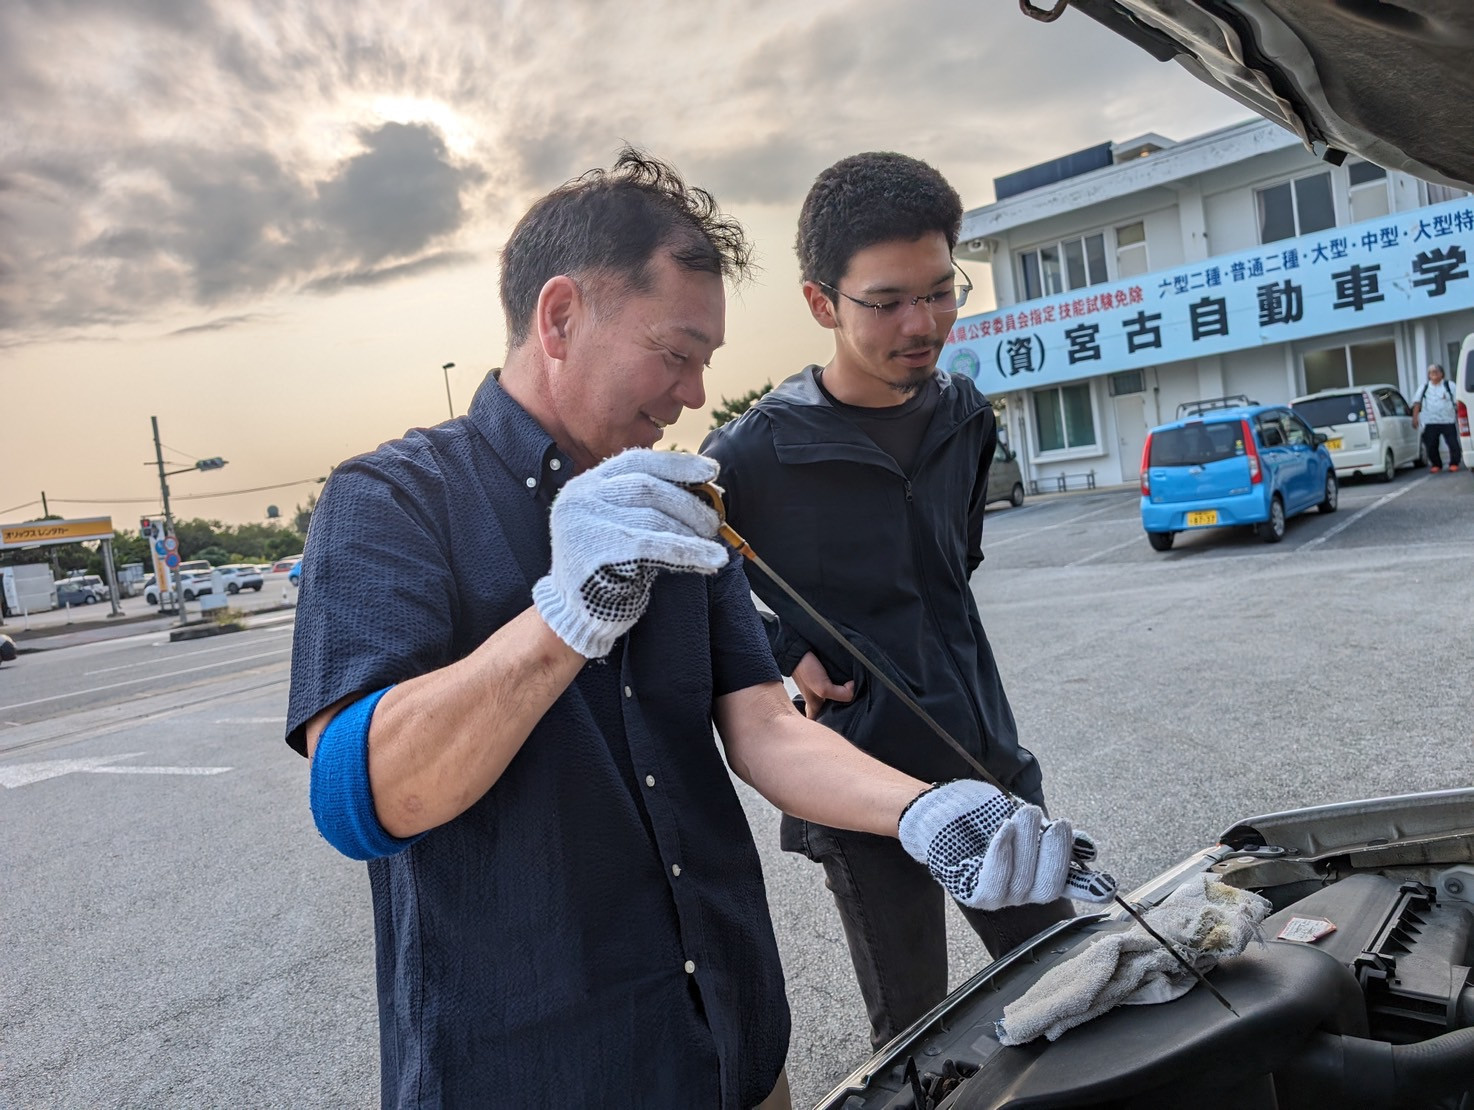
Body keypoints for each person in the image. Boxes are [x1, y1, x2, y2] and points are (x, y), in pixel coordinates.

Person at [285, 149, 1112, 1109]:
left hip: (732, 1050)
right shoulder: (392, 499)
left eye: (704, 365)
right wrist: (565, 616)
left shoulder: (677, 503)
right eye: (675, 355)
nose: (689, 397)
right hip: (532, 1068)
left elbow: (761, 724)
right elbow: (359, 797)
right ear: (561, 317)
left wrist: (923, 811)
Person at [702, 152, 1085, 1051]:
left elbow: (954, 575)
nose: (923, 324)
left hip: (989, 762)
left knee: (1074, 990)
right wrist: (774, 646)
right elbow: (687, 595)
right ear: (820, 303)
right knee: (919, 1045)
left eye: (941, 290)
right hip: (863, 798)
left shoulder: (965, 414)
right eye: (886, 301)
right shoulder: (753, 455)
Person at [1411, 363, 1462, 472]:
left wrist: (1460, 416)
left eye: (1435, 372)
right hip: (1430, 421)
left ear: (1441, 373)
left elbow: (1457, 401)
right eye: (1431, 372)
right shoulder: (1424, 387)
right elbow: (1417, 403)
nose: (1433, 374)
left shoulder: (1450, 385)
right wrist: (1415, 418)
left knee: (1453, 443)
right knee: (1431, 445)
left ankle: (1454, 463)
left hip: (1448, 420)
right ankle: (1436, 464)